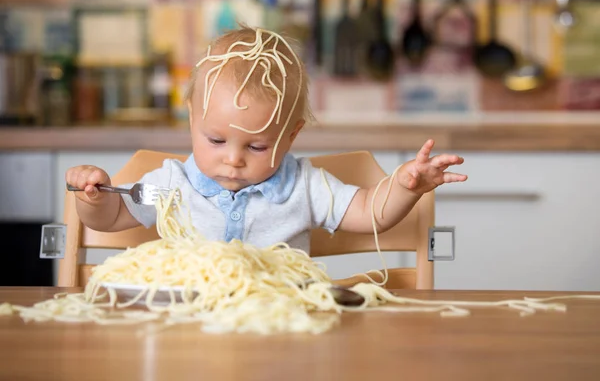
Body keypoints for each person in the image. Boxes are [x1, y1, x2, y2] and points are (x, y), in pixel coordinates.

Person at [65, 26, 467, 253]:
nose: (234, 160)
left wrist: (403, 186)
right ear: (192, 120)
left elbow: (368, 212)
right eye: (216, 141)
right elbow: (114, 218)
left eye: (256, 146)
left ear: (290, 136)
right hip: (189, 329)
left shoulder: (305, 187)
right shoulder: (172, 187)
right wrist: (95, 199)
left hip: (284, 329)